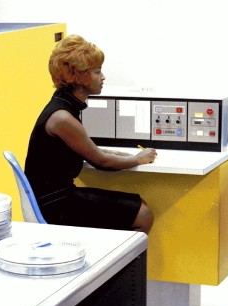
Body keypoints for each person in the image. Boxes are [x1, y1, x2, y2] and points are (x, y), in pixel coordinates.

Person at [24, 34, 157, 233]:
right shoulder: (62, 118)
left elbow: (89, 150)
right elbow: (102, 162)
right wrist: (138, 159)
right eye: (97, 71)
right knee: (143, 214)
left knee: (138, 206)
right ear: (79, 76)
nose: (102, 77)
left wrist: (127, 155)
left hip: (54, 198)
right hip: (55, 205)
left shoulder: (64, 107)